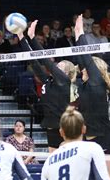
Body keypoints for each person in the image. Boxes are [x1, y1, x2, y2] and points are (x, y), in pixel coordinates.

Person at [74, 14, 110, 180]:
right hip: (92, 142)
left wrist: (80, 33)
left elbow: (85, 56)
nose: (82, 69)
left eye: (85, 68)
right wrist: (76, 35)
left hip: (107, 140)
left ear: (93, 69)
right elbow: (81, 59)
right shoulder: (87, 84)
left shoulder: (96, 83)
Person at [18, 20, 77, 152]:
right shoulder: (48, 80)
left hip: (64, 127)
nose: (56, 65)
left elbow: (46, 59)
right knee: (53, 159)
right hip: (51, 126)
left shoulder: (64, 80)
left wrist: (32, 37)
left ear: (66, 72)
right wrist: (21, 38)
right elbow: (33, 62)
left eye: (60, 66)